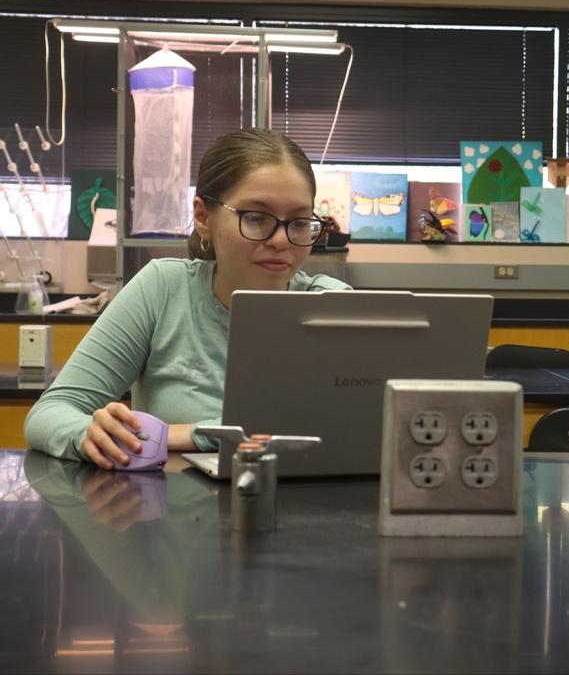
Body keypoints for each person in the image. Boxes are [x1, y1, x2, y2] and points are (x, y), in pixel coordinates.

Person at [25, 128, 351, 468]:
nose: (281, 241)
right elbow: (49, 413)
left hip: (297, 499)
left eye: (298, 222)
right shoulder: (163, 290)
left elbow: (354, 425)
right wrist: (89, 434)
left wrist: (184, 435)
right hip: (168, 499)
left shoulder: (331, 306)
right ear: (203, 217)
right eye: (256, 218)